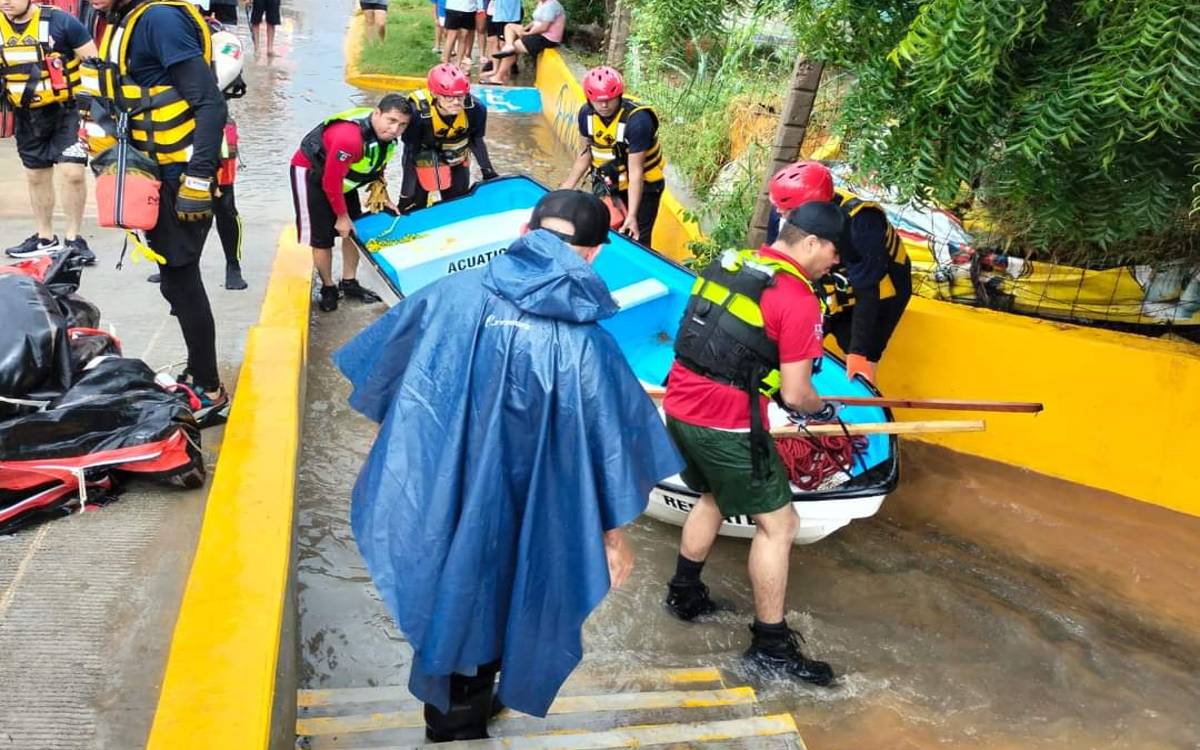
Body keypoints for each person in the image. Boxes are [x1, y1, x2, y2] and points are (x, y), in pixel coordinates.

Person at [334, 189, 683, 742]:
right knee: (505, 597)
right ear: (593, 256)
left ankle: (451, 712)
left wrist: (417, 471)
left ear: (525, 232)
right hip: (523, 507)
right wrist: (614, 540)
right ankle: (460, 722)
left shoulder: (446, 294)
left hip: (441, 488)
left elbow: (383, 387)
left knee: (445, 589)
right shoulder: (587, 347)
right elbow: (611, 454)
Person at [660, 200, 847, 687]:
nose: (835, 262)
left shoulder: (733, 263)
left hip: (679, 405)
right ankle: (770, 646)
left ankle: (685, 593)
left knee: (715, 495)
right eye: (833, 251)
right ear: (810, 243)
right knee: (780, 526)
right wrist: (823, 411)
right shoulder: (799, 298)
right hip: (726, 423)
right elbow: (795, 393)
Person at [79, 0, 231, 426]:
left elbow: (209, 104)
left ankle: (210, 388)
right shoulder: (121, 20)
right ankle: (198, 372)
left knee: (182, 280)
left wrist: (198, 181)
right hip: (156, 172)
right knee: (174, 281)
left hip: (183, 176)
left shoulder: (159, 20)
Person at [1, 0, 98, 264]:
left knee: (73, 173)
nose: (5, 2)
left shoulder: (62, 22)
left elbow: (95, 62)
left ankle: (74, 239)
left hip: (68, 111)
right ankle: (45, 238)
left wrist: (96, 110)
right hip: (27, 114)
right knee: (36, 175)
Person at [290, 95, 407, 312]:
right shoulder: (350, 140)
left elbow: (376, 164)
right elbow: (330, 181)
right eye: (391, 121)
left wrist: (383, 194)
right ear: (377, 113)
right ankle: (328, 287)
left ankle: (349, 282)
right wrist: (342, 217)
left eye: (401, 125)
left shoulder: (385, 138)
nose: (394, 129)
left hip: (342, 179)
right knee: (322, 238)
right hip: (312, 174)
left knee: (353, 233)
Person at [559, 65, 664, 247]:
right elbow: (585, 154)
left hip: (643, 184)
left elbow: (636, 172)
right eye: (598, 101)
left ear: (619, 95)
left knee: (637, 237)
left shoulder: (638, 121)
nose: (604, 106)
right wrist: (567, 186)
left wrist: (631, 215)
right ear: (589, 99)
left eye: (610, 100)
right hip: (609, 179)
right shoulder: (586, 115)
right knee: (601, 228)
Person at [824, 185, 913, 384]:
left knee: (862, 358)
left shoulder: (862, 221)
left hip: (881, 291)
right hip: (837, 284)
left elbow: (868, 291)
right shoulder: (790, 215)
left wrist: (858, 352)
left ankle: (862, 404)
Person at [399, 63, 496, 211]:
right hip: (423, 160)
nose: (456, 103)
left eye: (460, 96)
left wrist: (488, 172)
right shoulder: (415, 113)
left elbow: (476, 141)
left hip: (457, 159)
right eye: (448, 97)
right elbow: (410, 153)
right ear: (435, 94)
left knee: (457, 205)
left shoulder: (476, 109)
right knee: (415, 206)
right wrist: (406, 195)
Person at [483, 0, 561, 85]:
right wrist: (524, 29)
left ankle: (498, 77)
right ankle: (509, 45)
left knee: (513, 48)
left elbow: (544, 27)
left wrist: (527, 33)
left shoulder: (552, 5)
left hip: (546, 39)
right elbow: (535, 21)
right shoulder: (542, 3)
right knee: (509, 27)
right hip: (537, 34)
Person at [440, 0, 475, 69]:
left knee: (463, 37)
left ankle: (458, 65)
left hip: (469, 9)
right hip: (454, 8)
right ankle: (445, 63)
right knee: (451, 37)